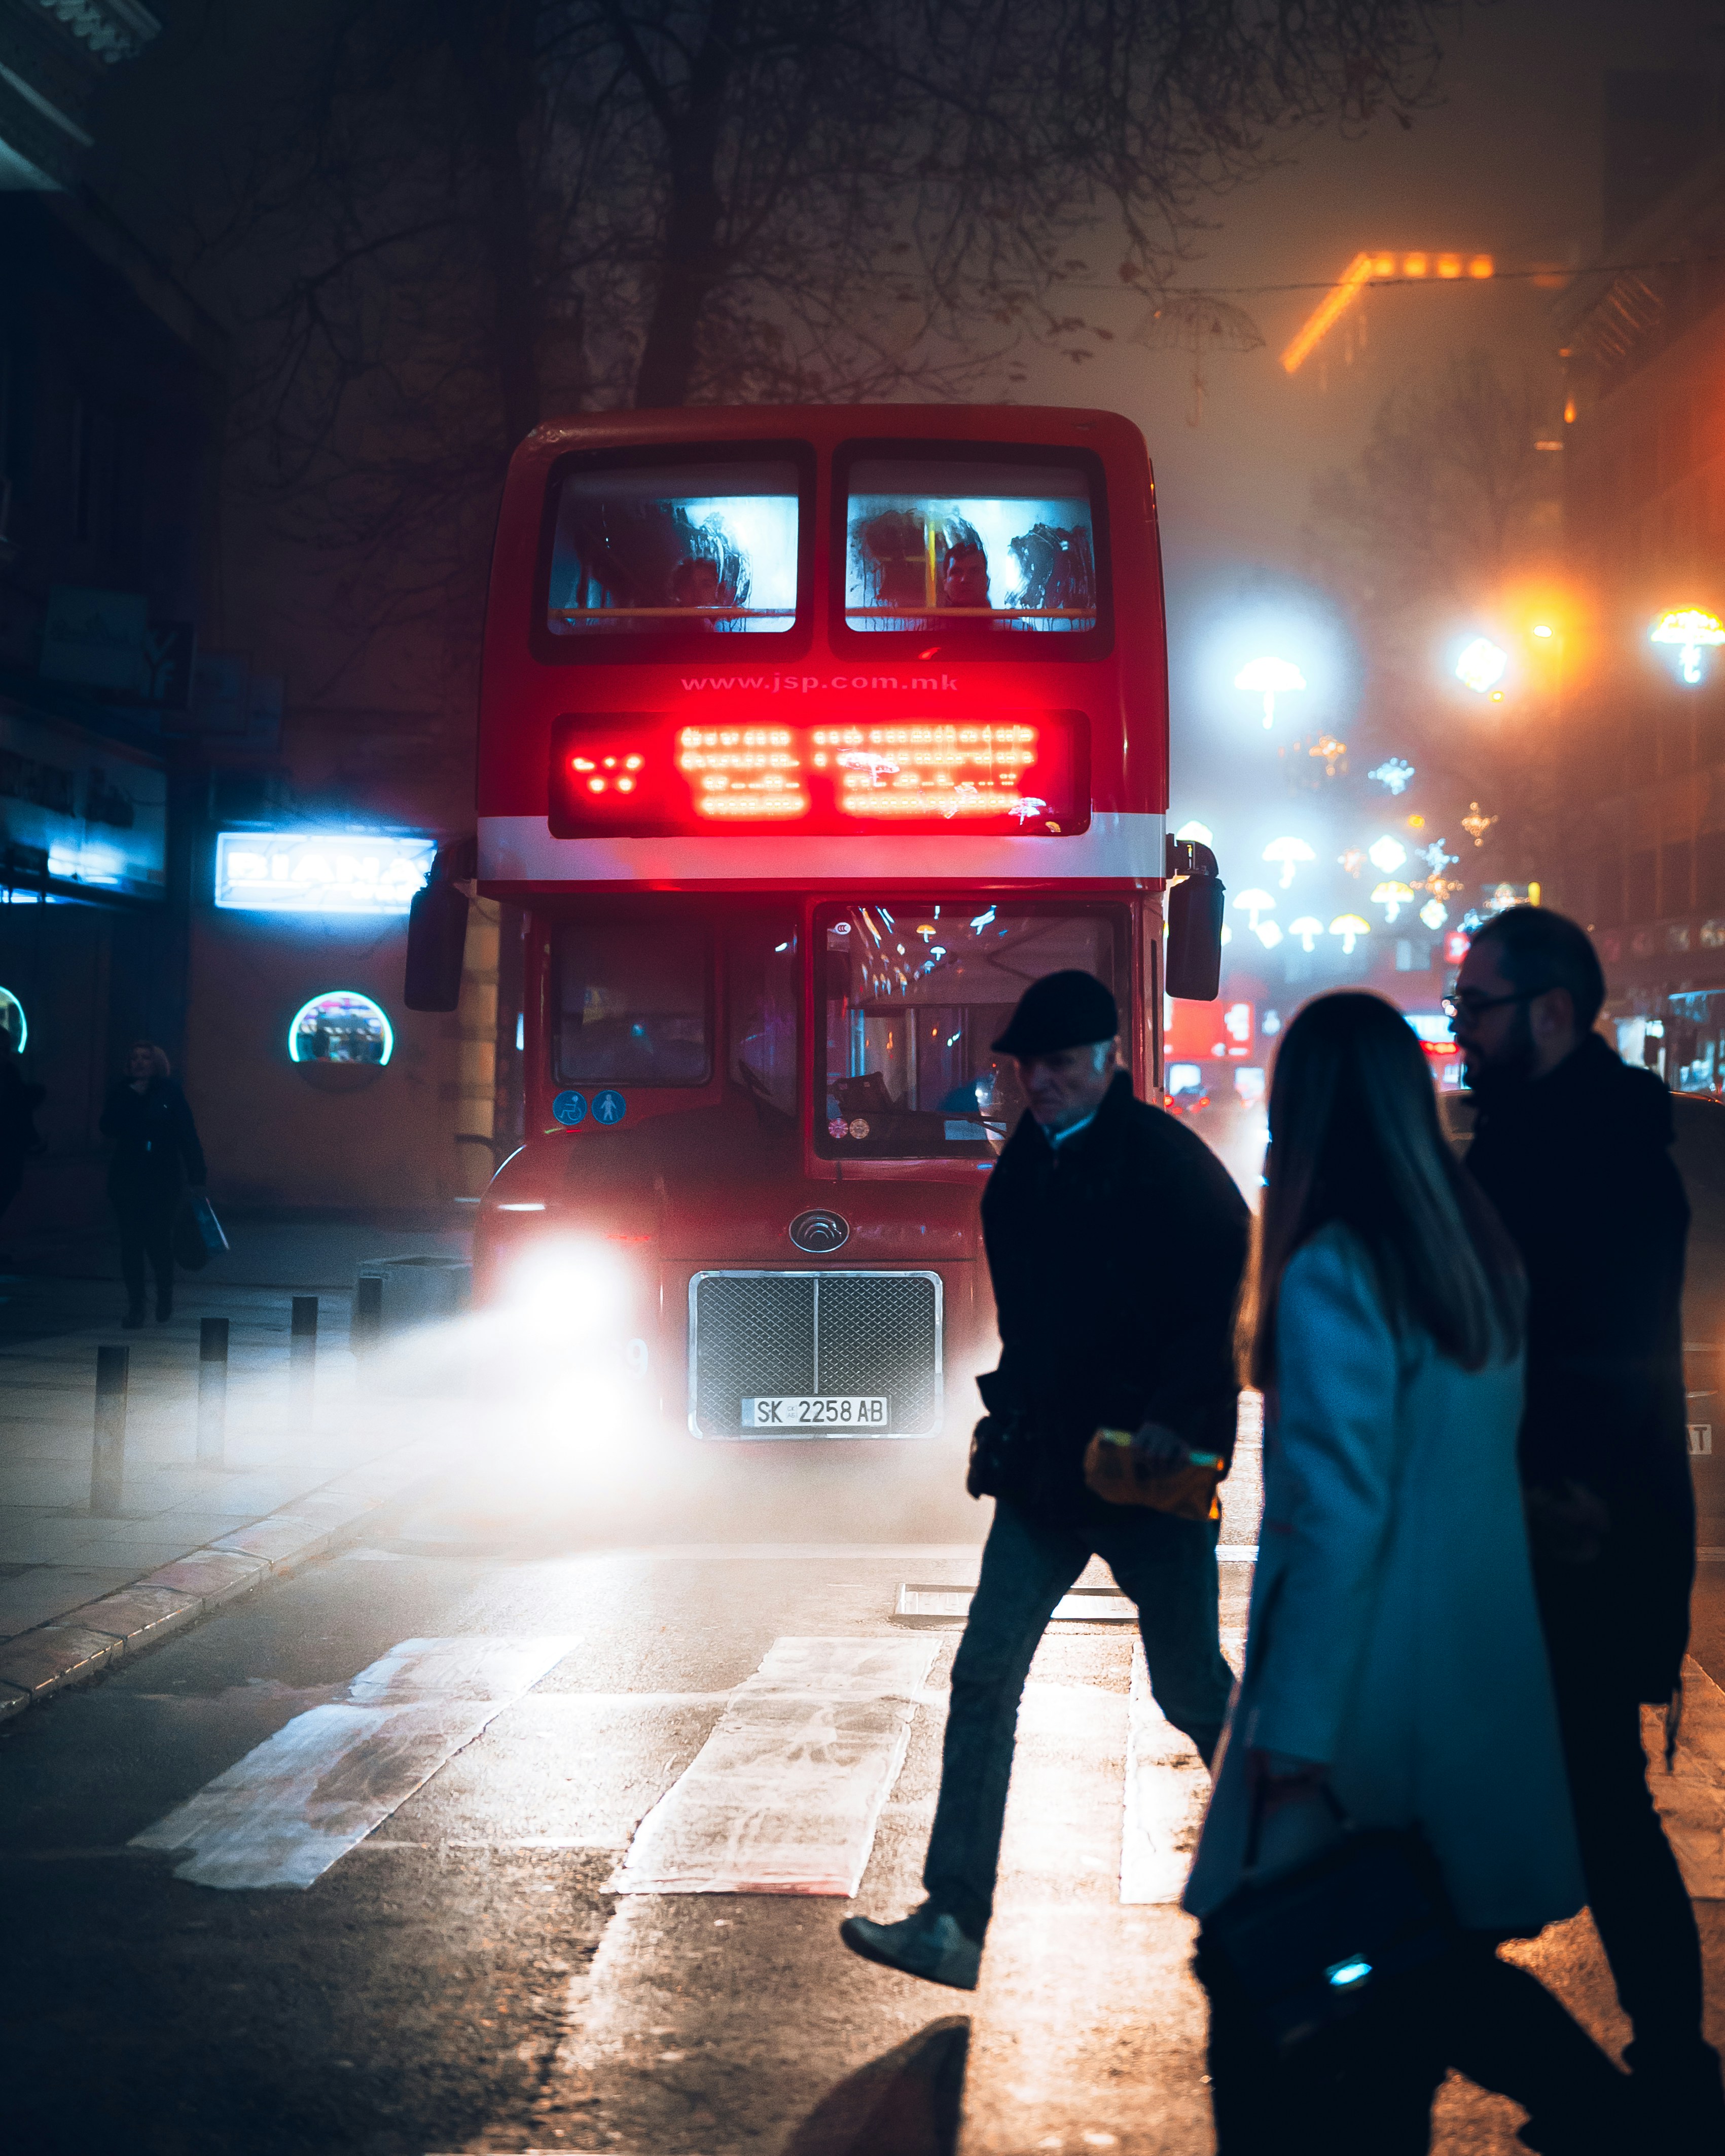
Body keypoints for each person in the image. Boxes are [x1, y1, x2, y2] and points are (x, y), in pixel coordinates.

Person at [1185, 990, 1632, 2153]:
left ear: (1307, 1112)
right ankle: (1609, 2109)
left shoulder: (1335, 1273)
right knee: (1397, 1997)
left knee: (1266, 1970)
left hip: (1366, 1716)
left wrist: (1293, 1741)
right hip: (1464, 1698)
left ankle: (1617, 2113)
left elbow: (1338, 1522)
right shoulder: (1468, 1255)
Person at [841, 968, 1249, 1990]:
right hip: (1059, 1461)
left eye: (1062, 1063)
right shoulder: (1029, 1171)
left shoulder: (1156, 1163)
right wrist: (1009, 1420)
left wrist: (1176, 1416)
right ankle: (953, 1916)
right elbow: (1036, 1331)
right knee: (986, 1672)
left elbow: (1215, 1312)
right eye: (1031, 1064)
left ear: (1109, 1057)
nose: (1042, 1080)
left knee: (1191, 1682)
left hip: (1148, 1459)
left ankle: (1298, 1875)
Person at [1453, 905, 1724, 2141]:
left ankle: (1643, 2080)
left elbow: (1600, 1355)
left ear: (1550, 1013)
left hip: (1573, 1530)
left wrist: (1564, 1496)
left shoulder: (1590, 1153)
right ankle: (1664, 2068)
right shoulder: (1551, 1134)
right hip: (1555, 1521)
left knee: (1592, 1807)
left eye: (1479, 1008)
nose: (1462, 1030)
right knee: (1599, 1807)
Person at [100, 1039, 206, 1328]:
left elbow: (187, 1134)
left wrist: (198, 1176)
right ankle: (136, 1305)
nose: (139, 1063)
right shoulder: (122, 1092)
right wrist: (130, 1099)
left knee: (158, 1240)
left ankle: (164, 1294)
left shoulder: (169, 1093)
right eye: (134, 1058)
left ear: (156, 1062)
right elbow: (108, 1127)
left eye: (145, 1058)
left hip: (161, 1179)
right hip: (127, 1178)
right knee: (131, 1244)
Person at [0, 1034, 43, 1243]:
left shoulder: (10, 1074)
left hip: (8, 1152)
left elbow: (20, 1112)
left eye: (4, 1048)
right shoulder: (10, 1074)